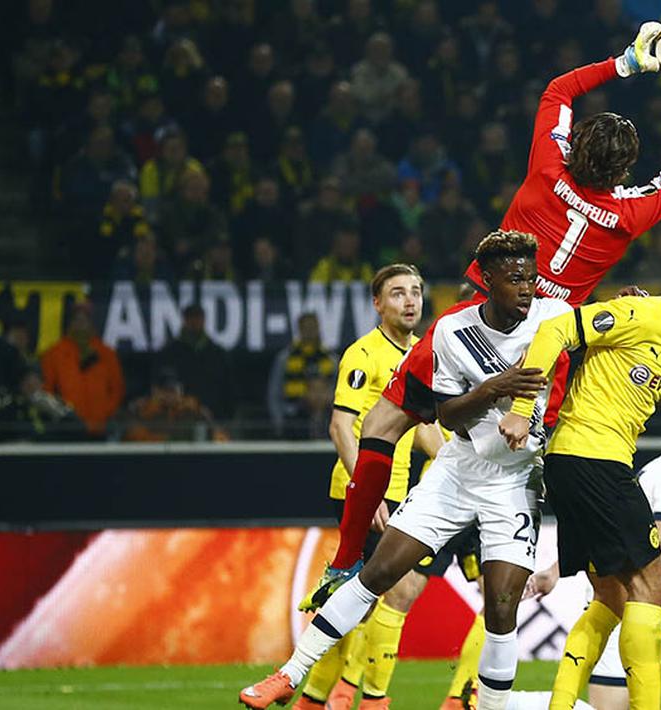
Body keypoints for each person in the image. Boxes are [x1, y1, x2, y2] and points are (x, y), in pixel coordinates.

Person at [306, 21, 661, 626]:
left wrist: (627, 62)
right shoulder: (630, 212)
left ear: (574, 147)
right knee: (523, 468)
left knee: (383, 421)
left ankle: (347, 559)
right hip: (544, 353)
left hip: (475, 321)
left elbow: (557, 91)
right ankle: (539, 574)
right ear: (624, 171)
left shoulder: (544, 172)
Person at [241, 231, 566, 710]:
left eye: (531, 279)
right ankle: (291, 674)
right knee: (379, 572)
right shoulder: (454, 332)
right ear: (488, 280)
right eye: (515, 279)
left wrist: (628, 307)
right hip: (457, 470)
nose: (526, 289)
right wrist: (494, 388)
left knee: (502, 607)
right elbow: (446, 416)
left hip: (515, 481)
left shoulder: (553, 317)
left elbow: (602, 330)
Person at [499, 239, 661, 710]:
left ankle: (560, 704)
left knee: (610, 594)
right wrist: (523, 409)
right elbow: (555, 331)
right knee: (654, 584)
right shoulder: (642, 317)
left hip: (585, 463)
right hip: (590, 458)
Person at [292, 264, 445, 710]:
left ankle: (322, 698)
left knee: (364, 602)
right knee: (385, 594)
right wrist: (367, 491)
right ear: (377, 304)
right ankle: (359, 698)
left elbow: (421, 431)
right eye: (397, 294)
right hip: (362, 491)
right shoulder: (363, 354)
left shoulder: (422, 355)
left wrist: (460, 464)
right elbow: (341, 426)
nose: (410, 301)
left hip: (399, 495)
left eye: (415, 292)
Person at [524, 394, 661, 710]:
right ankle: (505, 704)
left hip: (617, 584)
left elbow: (607, 534)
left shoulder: (660, 466)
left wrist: (555, 571)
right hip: (639, 589)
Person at [40, 302, 124, 438]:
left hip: (101, 430)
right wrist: (65, 418)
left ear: (92, 322)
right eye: (77, 318)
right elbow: (48, 392)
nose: (81, 323)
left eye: (85, 318)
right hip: (66, 432)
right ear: (70, 322)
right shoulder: (54, 354)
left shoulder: (106, 353)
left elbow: (117, 390)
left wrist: (104, 414)